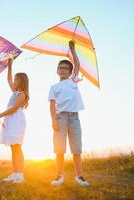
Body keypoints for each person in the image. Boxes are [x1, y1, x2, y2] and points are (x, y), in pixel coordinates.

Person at [48, 40, 89, 186]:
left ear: (71, 72)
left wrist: (72, 50)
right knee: (59, 149)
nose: (63, 70)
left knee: (76, 148)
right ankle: (59, 176)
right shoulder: (54, 87)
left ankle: (79, 176)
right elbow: (52, 105)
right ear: (57, 70)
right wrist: (53, 120)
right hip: (60, 118)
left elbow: (77, 64)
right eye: (61, 68)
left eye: (66, 68)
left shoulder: (73, 81)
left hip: (74, 117)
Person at [0, 58, 29, 184]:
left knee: (17, 146)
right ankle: (14, 173)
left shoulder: (22, 94)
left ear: (22, 81)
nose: (14, 81)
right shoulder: (15, 92)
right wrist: (10, 65)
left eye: (17, 79)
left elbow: (13, 109)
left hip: (16, 119)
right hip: (11, 119)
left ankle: (20, 175)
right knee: (13, 147)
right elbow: (8, 79)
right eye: (15, 79)